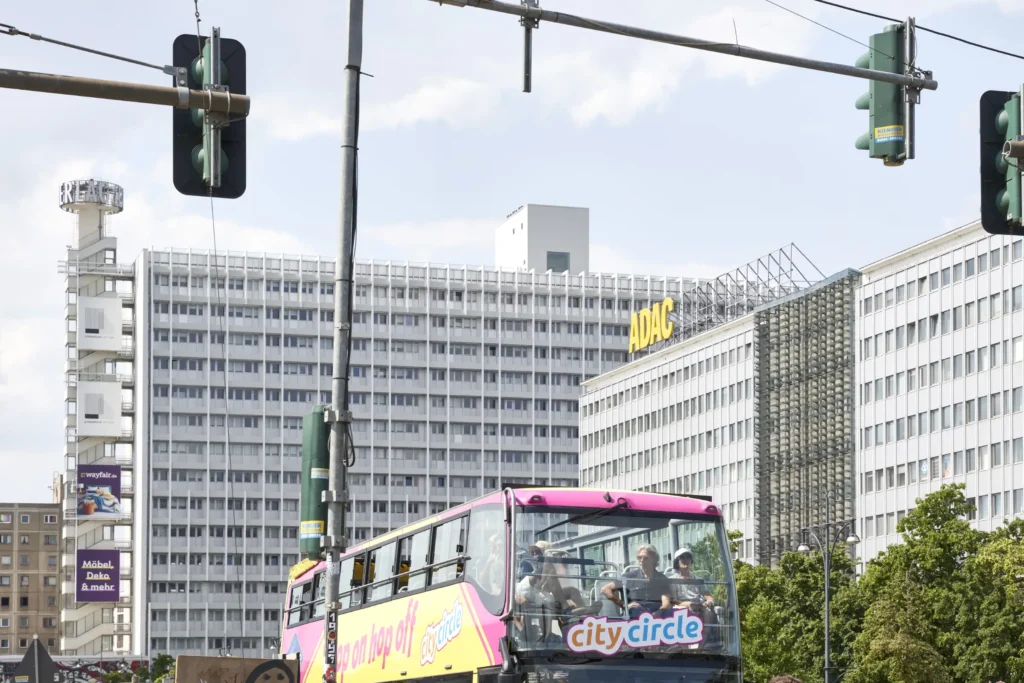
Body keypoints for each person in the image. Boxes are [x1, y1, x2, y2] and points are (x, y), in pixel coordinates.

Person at [601, 544, 673, 618]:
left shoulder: (661, 578)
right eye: (639, 558)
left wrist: (659, 613)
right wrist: (623, 604)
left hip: (656, 611)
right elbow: (605, 589)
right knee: (634, 611)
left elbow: (665, 603)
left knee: (670, 612)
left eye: (645, 558)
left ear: (653, 559)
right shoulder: (630, 576)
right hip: (636, 612)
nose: (641, 560)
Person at [668, 547, 716, 612]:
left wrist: (709, 602)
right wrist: (690, 605)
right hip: (681, 610)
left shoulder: (698, 580)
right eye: (682, 557)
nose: (686, 560)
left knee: (709, 612)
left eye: (688, 557)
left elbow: (707, 595)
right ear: (677, 562)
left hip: (699, 608)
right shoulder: (672, 580)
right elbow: (673, 602)